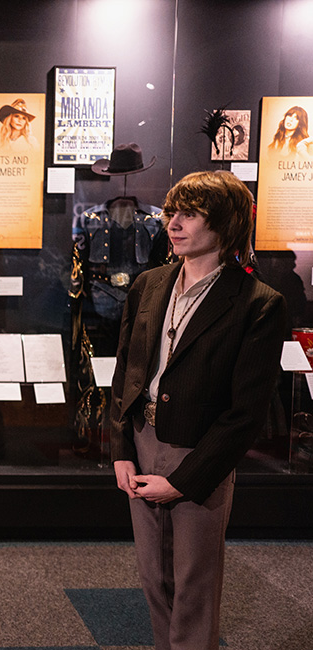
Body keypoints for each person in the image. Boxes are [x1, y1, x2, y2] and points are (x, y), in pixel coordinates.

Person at [110, 170, 286, 650]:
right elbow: (126, 373)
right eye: (171, 212)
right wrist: (121, 450)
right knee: (153, 579)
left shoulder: (258, 304)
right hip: (143, 445)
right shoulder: (149, 284)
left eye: (190, 214)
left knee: (193, 586)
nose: (174, 222)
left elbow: (246, 413)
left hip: (200, 452)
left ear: (225, 224)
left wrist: (185, 480)